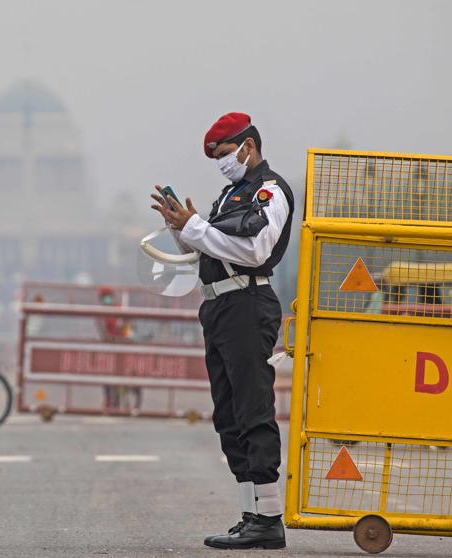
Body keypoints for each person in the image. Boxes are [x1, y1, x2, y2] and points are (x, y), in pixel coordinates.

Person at [151, 112, 293, 550]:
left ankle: (269, 517)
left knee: (253, 407)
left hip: (248, 304)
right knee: (228, 414)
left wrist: (196, 228)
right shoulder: (230, 194)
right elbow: (211, 251)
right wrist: (183, 231)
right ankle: (250, 513)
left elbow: (255, 249)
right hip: (219, 306)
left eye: (225, 153)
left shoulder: (270, 192)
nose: (221, 163)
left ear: (248, 146)